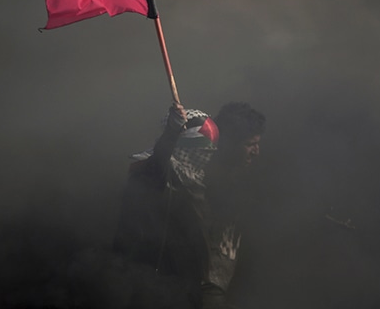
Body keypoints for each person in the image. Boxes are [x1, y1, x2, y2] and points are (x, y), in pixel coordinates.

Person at [114, 101, 266, 309]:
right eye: (250, 144)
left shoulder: (199, 183)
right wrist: (171, 134)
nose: (205, 159)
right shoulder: (159, 177)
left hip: (192, 293)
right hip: (158, 291)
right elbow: (157, 168)